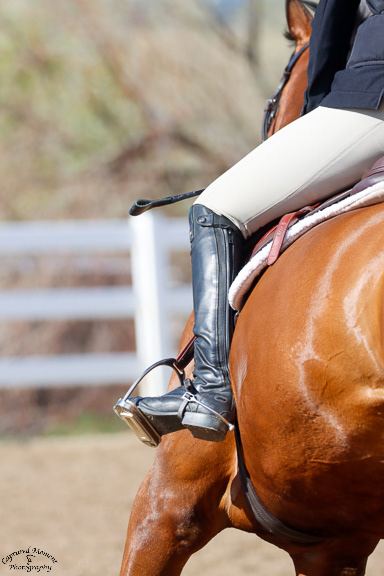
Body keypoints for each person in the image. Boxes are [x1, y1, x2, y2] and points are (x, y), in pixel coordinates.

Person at [127, 0, 384, 443]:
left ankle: (207, 390)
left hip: (373, 96)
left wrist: (317, 110)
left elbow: (331, 25)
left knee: (215, 209)